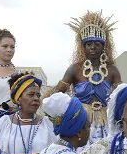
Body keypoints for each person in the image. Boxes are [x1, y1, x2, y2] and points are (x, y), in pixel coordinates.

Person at [52, 11, 122, 145]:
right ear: (83, 46)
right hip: (80, 121)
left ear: (103, 46)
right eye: (89, 44)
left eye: (97, 43)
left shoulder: (112, 70)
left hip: (105, 121)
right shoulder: (74, 69)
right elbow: (57, 94)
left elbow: (122, 94)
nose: (93, 47)